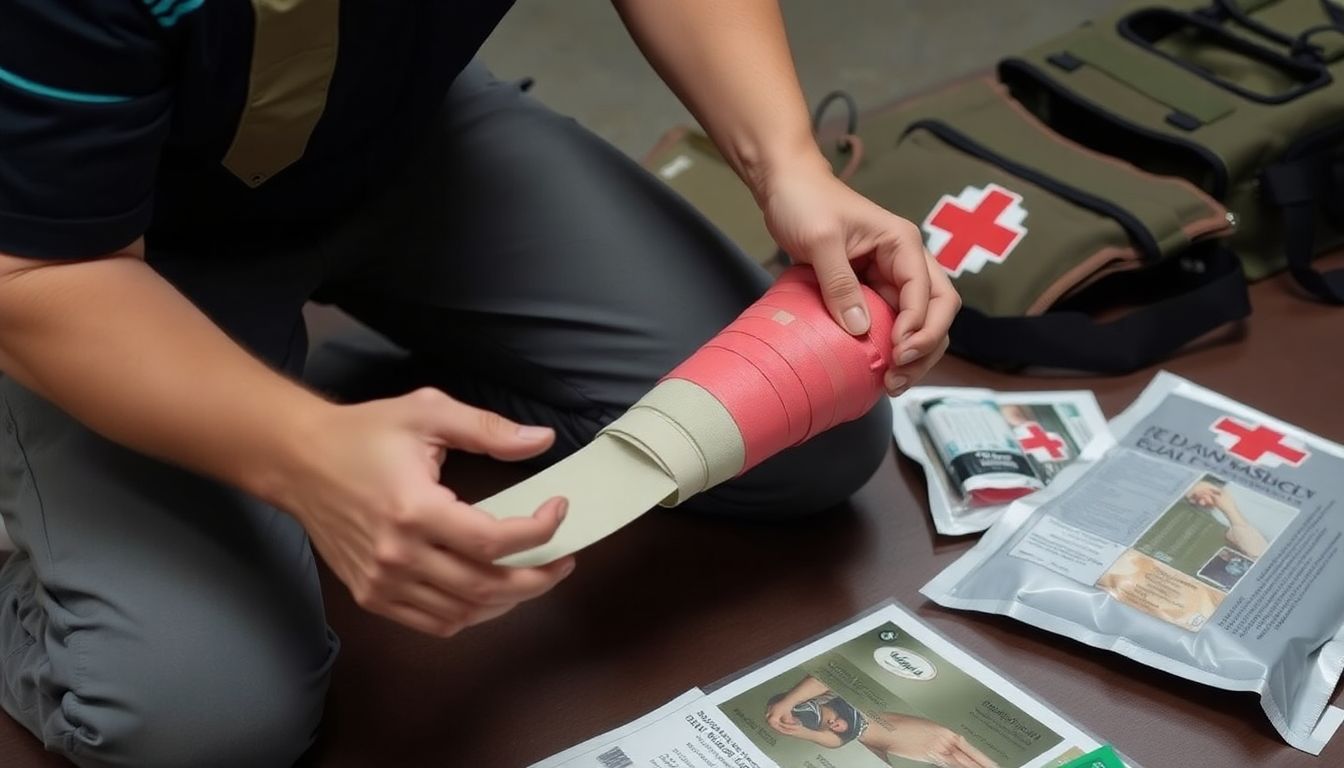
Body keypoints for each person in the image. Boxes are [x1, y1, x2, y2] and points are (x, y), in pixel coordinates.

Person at [0, 2, 958, 765]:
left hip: (386, 129)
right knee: (199, 724)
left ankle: (328, 393)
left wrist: (786, 160)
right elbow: (32, 276)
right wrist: (301, 454)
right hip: (92, 252)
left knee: (805, 437)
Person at [765, 675, 998, 768]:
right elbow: (831, 741)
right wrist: (800, 732)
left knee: (958, 749)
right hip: (907, 748)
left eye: (828, 718)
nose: (832, 724)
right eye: (826, 725)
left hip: (924, 739)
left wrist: (787, 702)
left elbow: (824, 677)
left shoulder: (832, 697)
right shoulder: (838, 736)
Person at [1186, 479, 1268, 558]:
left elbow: (1259, 554)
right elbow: (1259, 555)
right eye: (1194, 500)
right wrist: (1231, 513)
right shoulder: (1220, 517)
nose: (1201, 502)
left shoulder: (1239, 490)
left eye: (1196, 497)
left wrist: (1230, 511)